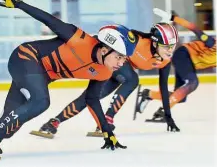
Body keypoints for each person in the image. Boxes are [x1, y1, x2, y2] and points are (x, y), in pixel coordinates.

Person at [0, 0, 137, 155]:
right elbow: (49, 20)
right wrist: (18, 3)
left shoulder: (103, 72)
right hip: (25, 58)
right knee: (40, 101)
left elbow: (92, 99)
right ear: (104, 49)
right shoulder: (79, 39)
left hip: (38, 76)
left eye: (124, 59)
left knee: (7, 127)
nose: (121, 63)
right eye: (118, 57)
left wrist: (107, 132)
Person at [35, 19, 181, 138]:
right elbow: (108, 39)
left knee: (89, 98)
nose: (170, 51)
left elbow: (163, 87)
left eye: (173, 46)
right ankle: (108, 119)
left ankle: (53, 123)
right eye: (166, 46)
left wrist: (168, 116)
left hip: (119, 71)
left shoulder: (165, 61)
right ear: (155, 43)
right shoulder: (139, 41)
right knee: (132, 80)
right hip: (111, 64)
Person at [136, 8, 216, 122]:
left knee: (180, 97)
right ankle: (163, 111)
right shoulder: (213, 44)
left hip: (187, 63)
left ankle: (148, 94)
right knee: (193, 82)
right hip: (183, 55)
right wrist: (173, 18)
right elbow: (194, 28)